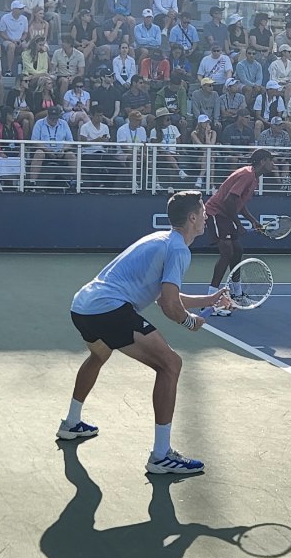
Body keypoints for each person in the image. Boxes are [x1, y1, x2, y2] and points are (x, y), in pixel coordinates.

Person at [57, 190, 230, 475]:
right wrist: (190, 323)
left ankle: (71, 422)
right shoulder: (178, 249)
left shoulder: (162, 239)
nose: (207, 216)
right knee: (171, 364)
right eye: (203, 212)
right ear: (192, 218)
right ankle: (161, 455)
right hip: (108, 309)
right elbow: (171, 307)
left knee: (99, 354)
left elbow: (166, 297)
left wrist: (208, 301)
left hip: (83, 306)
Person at [203, 148, 276, 316]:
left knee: (238, 250)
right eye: (271, 160)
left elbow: (239, 203)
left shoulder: (253, 178)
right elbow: (229, 200)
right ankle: (209, 302)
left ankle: (237, 294)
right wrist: (238, 224)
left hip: (226, 215)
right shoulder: (247, 175)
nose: (273, 164)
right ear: (263, 161)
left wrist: (252, 221)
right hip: (216, 213)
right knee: (227, 252)